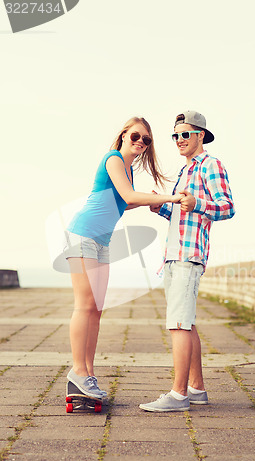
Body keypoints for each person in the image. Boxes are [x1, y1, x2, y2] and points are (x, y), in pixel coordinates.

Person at [64, 117, 183, 399]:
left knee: (97, 309)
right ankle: (78, 372)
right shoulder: (113, 159)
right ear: (123, 136)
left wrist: (154, 199)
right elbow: (128, 195)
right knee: (85, 306)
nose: (140, 142)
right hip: (82, 235)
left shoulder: (127, 170)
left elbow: (125, 201)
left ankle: (87, 375)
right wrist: (172, 198)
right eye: (136, 136)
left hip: (102, 241)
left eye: (146, 140)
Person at [139, 110, 235, 412]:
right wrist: (161, 208)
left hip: (189, 255)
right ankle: (196, 389)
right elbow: (183, 214)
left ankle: (178, 395)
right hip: (172, 254)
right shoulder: (185, 170)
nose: (179, 140)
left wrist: (197, 202)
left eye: (185, 134)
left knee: (178, 324)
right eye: (175, 135)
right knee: (186, 323)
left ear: (201, 136)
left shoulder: (211, 165)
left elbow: (227, 206)